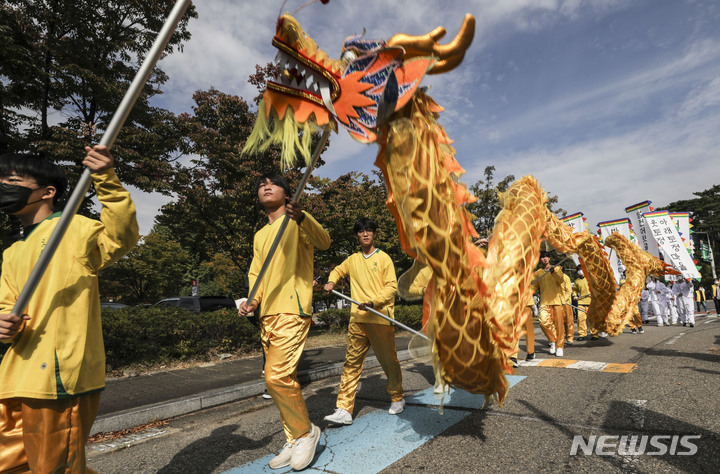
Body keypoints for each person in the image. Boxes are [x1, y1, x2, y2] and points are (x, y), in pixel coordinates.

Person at [0, 147, 140, 473]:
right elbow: (6, 302)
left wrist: (106, 177)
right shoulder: (13, 249)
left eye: (12, 179)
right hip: (13, 376)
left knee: (56, 468)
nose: (3, 186)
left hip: (56, 377)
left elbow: (121, 235)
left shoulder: (73, 228)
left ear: (47, 192)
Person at [238, 173, 330, 471]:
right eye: (261, 185)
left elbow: (324, 242)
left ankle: (306, 432)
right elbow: (257, 273)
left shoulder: (298, 220)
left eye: (273, 183)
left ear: (287, 194)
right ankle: (293, 435)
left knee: (276, 376)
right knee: (276, 380)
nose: (266, 186)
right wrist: (252, 300)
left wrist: (302, 217)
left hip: (293, 308)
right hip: (267, 313)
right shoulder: (260, 235)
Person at [323, 217, 404, 425]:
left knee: (389, 362)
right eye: (361, 231)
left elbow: (391, 287)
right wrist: (332, 281)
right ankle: (344, 408)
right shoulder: (352, 259)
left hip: (380, 319)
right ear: (357, 235)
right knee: (351, 364)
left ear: (374, 233)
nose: (365, 234)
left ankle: (397, 397)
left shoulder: (384, 258)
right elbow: (338, 270)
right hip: (357, 320)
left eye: (369, 230)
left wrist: (373, 302)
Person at [530, 251, 565, 357]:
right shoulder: (538, 273)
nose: (545, 259)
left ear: (549, 259)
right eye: (542, 257)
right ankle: (553, 341)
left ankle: (559, 347)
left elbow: (561, 280)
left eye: (546, 257)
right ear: (540, 259)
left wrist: (554, 272)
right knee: (543, 323)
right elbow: (533, 287)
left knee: (559, 326)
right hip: (545, 302)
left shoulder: (556, 269)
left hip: (557, 301)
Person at [573, 266, 594, 340]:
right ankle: (582, 335)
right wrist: (575, 295)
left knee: (592, 319)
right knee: (580, 319)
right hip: (581, 302)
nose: (580, 271)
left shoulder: (590, 279)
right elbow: (574, 290)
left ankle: (594, 334)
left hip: (591, 302)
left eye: (581, 269)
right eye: (578, 270)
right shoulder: (577, 281)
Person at [561, 272, 574, 344]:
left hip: (566, 303)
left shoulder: (565, 277)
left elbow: (569, 291)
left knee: (568, 321)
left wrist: (563, 299)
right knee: (556, 322)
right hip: (555, 303)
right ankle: (557, 339)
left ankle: (569, 338)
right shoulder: (551, 276)